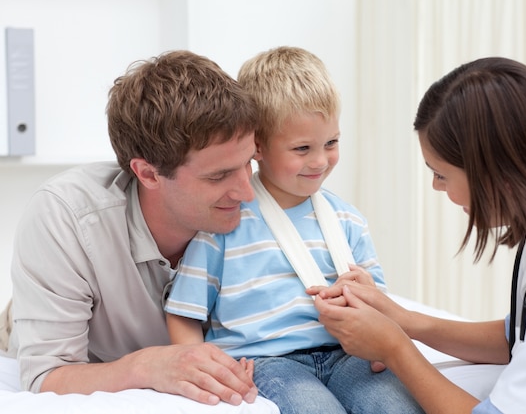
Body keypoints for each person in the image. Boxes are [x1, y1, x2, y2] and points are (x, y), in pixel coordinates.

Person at [309, 57, 526, 413]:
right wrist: (404, 319)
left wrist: (394, 348)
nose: (435, 186)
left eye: (441, 174)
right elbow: (521, 334)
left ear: (498, 174)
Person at [164, 46, 423, 414]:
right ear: (258, 147)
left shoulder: (347, 220)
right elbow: (184, 312)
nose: (320, 161)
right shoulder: (222, 224)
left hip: (346, 354)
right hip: (271, 361)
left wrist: (383, 342)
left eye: (331, 143)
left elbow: (377, 301)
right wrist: (201, 365)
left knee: (396, 406)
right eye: (302, 148)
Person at [4, 50, 261, 406]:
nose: (247, 192)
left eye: (248, 163)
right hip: (42, 325)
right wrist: (146, 365)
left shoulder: (261, 208)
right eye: (218, 176)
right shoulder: (66, 216)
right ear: (147, 174)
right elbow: (48, 375)